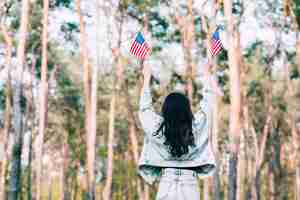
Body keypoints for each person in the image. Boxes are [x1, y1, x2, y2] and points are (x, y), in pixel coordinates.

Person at [138, 60, 223, 200]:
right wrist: (207, 76)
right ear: (187, 110)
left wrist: (146, 78)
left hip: (167, 182)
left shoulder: (158, 130)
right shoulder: (195, 127)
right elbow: (208, 104)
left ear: (165, 110)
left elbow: (145, 109)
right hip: (190, 185)